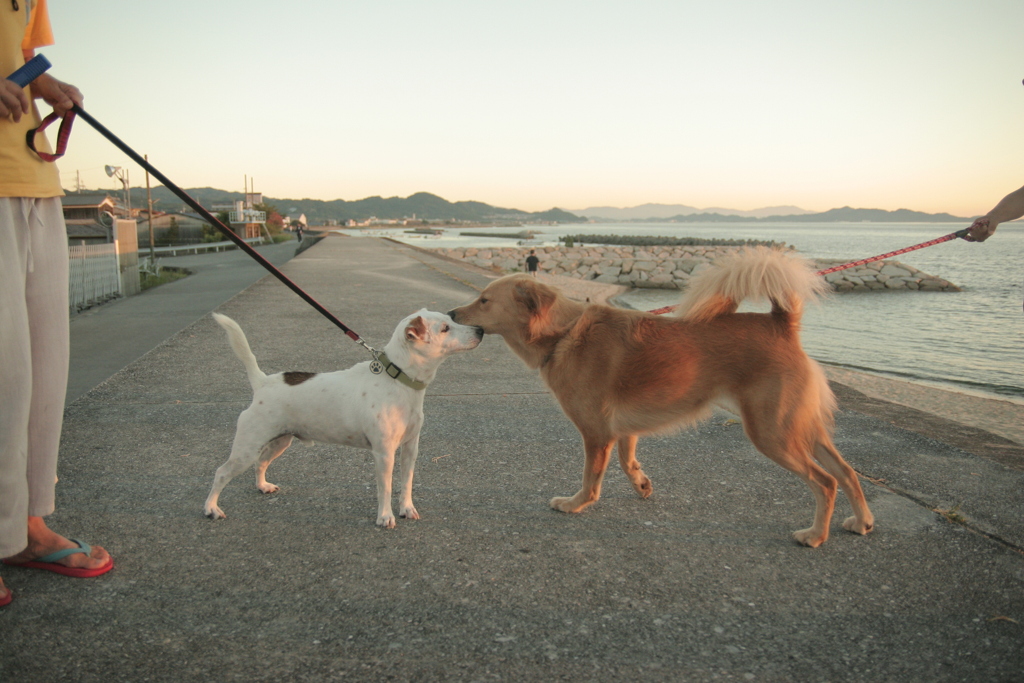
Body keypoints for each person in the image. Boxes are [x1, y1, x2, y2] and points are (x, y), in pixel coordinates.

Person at [1, 0, 113, 608]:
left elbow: (18, 51)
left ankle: (26, 524)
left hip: (31, 177)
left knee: (42, 373)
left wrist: (47, 85)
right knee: (3, 375)